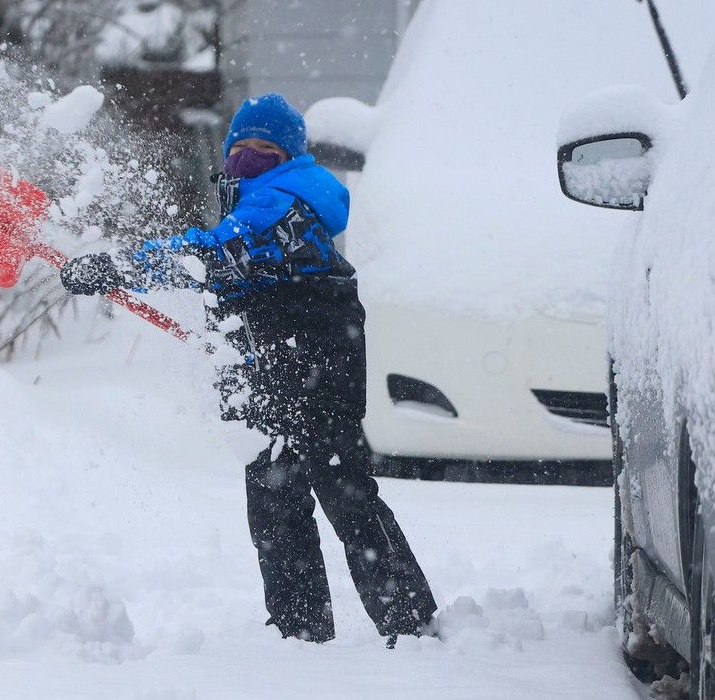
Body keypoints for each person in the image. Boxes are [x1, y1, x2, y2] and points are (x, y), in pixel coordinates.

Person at [60, 93, 437, 647]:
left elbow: (212, 256)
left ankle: (409, 622)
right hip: (278, 364)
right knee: (274, 495)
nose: (248, 157)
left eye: (265, 148)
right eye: (241, 147)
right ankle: (300, 633)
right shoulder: (261, 200)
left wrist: (119, 267)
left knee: (342, 490)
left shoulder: (284, 201)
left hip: (315, 364)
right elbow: (234, 273)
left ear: (288, 157)